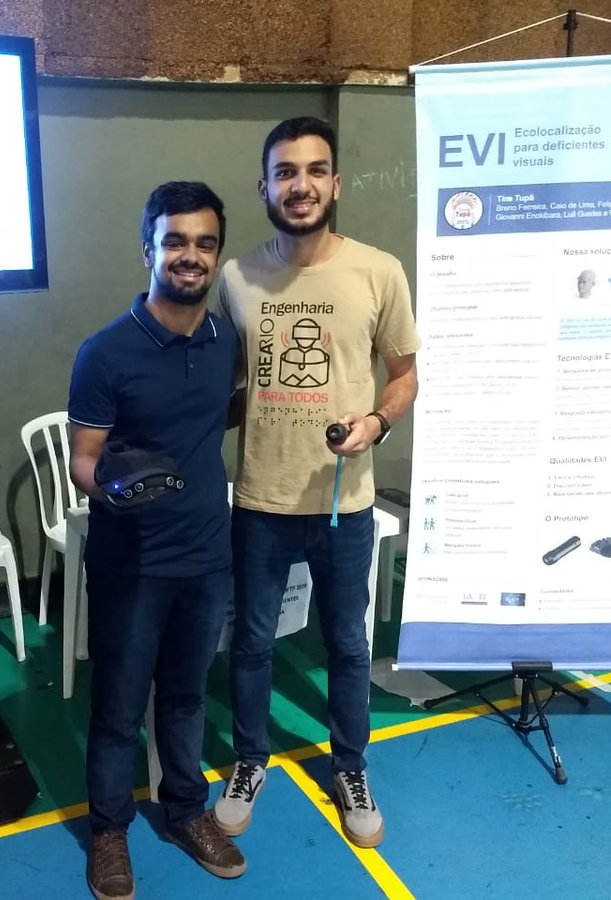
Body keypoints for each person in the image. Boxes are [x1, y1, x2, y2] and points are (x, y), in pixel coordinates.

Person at [212, 117, 420, 848]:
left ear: (335, 183)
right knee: (252, 646)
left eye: (314, 170)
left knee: (349, 647)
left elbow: (404, 375)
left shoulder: (378, 270)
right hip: (260, 502)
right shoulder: (236, 278)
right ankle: (249, 760)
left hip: (343, 504)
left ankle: (352, 766)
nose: (300, 185)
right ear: (263, 186)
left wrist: (378, 424)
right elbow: (232, 389)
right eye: (285, 171)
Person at [69, 181, 245, 900]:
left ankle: (184, 810)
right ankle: (109, 830)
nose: (190, 256)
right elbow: (84, 458)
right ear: (149, 249)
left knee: (184, 695)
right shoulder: (104, 353)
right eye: (175, 241)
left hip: (206, 554)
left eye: (204, 243)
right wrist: (114, 488)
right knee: (117, 706)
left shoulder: (225, 338)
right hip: (131, 562)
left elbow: (216, 415)